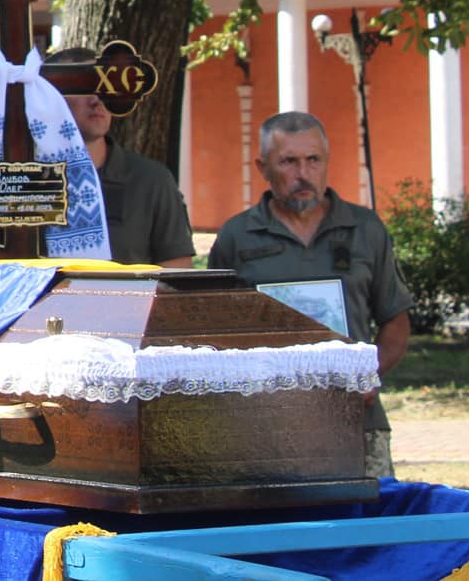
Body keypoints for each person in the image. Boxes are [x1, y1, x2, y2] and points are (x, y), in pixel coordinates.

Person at [208, 111, 411, 477]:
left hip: (356, 421)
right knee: (276, 532)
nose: (304, 173)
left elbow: (395, 319)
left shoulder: (365, 229)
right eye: (289, 161)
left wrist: (368, 376)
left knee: (368, 528)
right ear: (262, 167)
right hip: (263, 425)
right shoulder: (236, 237)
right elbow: (212, 331)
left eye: (313, 160)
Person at [45, 47, 195, 266]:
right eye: (84, 87)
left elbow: (177, 272)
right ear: (49, 98)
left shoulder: (151, 181)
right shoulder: (23, 179)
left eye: (106, 87)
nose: (97, 100)